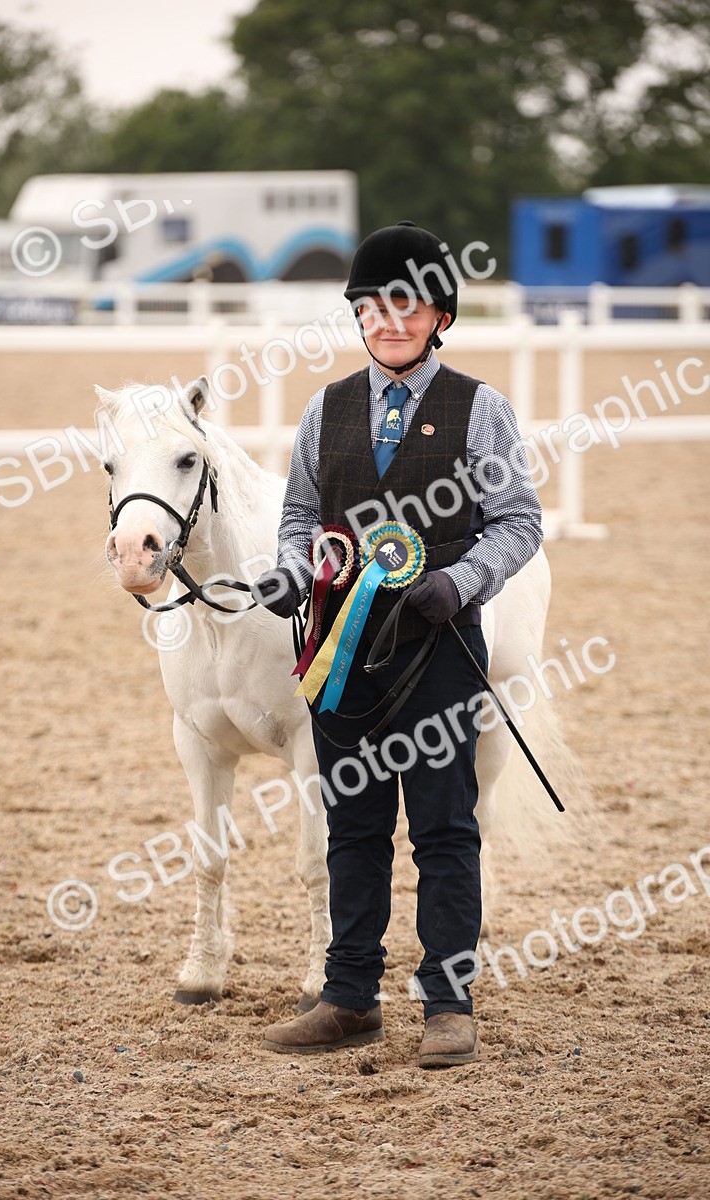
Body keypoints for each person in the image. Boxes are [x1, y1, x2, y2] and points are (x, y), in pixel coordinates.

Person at [252, 220, 543, 1068]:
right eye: (374, 307)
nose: (389, 321)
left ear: (439, 317)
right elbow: (300, 516)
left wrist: (465, 579)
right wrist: (291, 572)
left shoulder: (480, 410)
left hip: (439, 644)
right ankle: (349, 997)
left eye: (408, 307)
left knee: (444, 826)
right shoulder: (326, 409)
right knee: (352, 824)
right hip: (341, 650)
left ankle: (448, 1003)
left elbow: (518, 521)